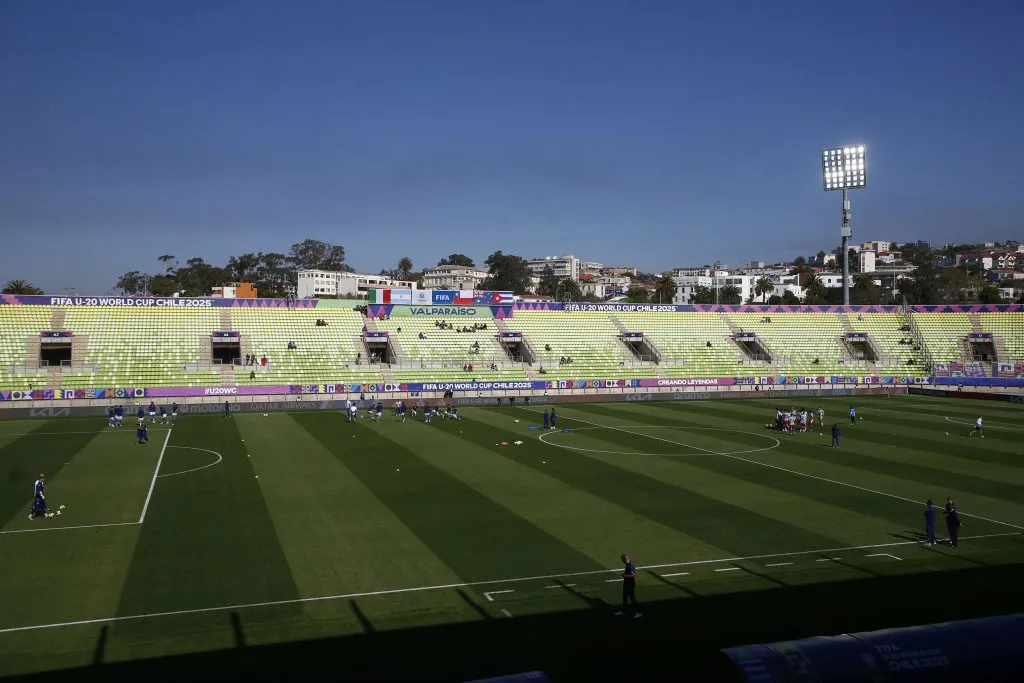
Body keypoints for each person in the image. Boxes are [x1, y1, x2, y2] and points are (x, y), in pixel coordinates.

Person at [615, 553, 641, 618]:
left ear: (625, 559)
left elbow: (633, 575)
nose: (622, 561)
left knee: (632, 598)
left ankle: (638, 612)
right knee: (625, 598)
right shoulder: (627, 565)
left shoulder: (631, 566)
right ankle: (623, 611)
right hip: (626, 584)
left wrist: (624, 576)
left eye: (622, 560)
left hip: (630, 585)